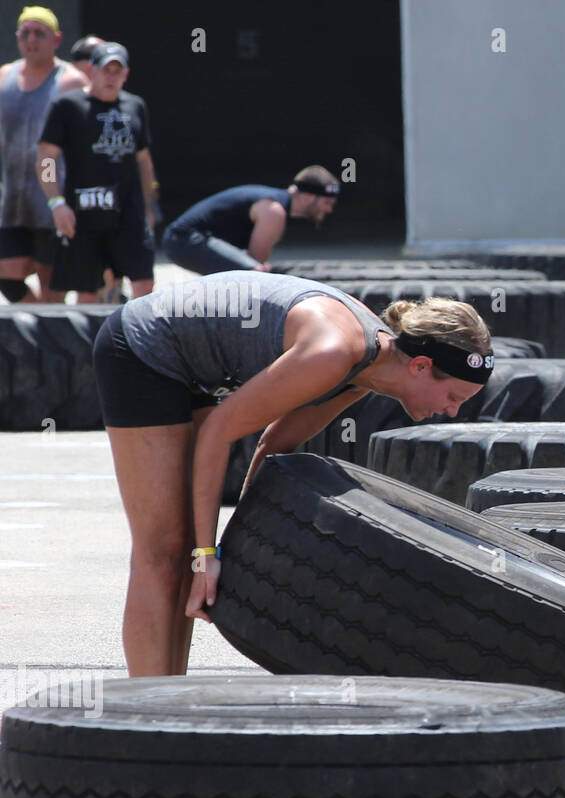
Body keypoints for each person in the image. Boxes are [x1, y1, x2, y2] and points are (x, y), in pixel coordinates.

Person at [92, 273, 493, 676]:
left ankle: (169, 698)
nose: (453, 411)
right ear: (421, 366)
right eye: (454, 397)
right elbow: (220, 432)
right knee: (164, 551)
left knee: (184, 555)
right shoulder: (335, 353)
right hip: (143, 347)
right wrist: (207, 554)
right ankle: (148, 706)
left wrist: (236, 547)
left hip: (198, 364)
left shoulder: (364, 371)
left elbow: (274, 443)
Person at [38, 42, 156, 301]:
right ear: (92, 70)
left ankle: (140, 340)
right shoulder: (68, 106)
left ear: (126, 74)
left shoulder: (136, 106)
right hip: (84, 211)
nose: (111, 77)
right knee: (87, 292)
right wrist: (56, 202)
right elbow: (46, 157)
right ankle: (89, 342)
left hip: (128, 211)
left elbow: (144, 161)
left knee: (144, 284)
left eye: (118, 71)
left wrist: (149, 206)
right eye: (106, 70)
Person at [0, 6, 89, 302]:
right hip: (11, 201)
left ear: (57, 39)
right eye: (25, 33)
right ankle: (36, 327)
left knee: (53, 289)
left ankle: (48, 344)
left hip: (52, 201)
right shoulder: (4, 77)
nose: (32, 40)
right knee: (7, 277)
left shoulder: (72, 81)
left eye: (40, 33)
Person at [162, 166, 340, 274]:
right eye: (327, 202)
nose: (329, 209)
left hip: (185, 238)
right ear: (309, 197)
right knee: (256, 273)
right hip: (184, 239)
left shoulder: (275, 203)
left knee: (254, 272)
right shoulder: (274, 210)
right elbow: (256, 264)